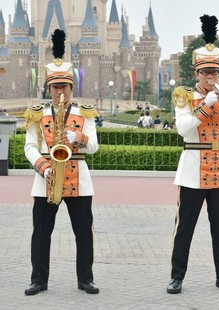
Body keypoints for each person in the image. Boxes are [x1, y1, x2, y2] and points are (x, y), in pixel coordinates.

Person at [166, 15, 219, 294]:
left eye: (214, 72)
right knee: (185, 225)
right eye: (205, 73)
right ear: (196, 73)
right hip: (193, 166)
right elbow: (184, 129)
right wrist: (204, 106)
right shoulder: (184, 97)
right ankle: (177, 276)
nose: (210, 77)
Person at [23, 29, 100, 296]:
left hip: (78, 178)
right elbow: (30, 147)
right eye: (55, 88)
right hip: (46, 179)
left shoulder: (84, 113)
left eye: (64, 87)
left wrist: (78, 136)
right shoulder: (37, 114)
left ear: (71, 87)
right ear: (48, 88)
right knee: (41, 234)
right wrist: (43, 168)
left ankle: (85, 279)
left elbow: (94, 147)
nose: (59, 93)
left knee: (84, 234)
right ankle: (38, 280)